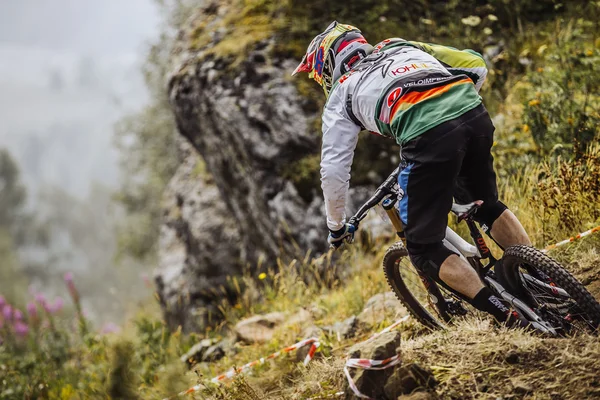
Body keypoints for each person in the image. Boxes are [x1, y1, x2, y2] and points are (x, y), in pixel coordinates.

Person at [291, 21, 532, 325]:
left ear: (327, 67)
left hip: (428, 138)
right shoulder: (399, 44)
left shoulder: (342, 92)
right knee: (486, 204)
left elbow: (333, 170)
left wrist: (336, 224)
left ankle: (506, 314)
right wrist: (453, 110)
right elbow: (476, 64)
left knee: (423, 247)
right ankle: (545, 278)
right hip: (472, 112)